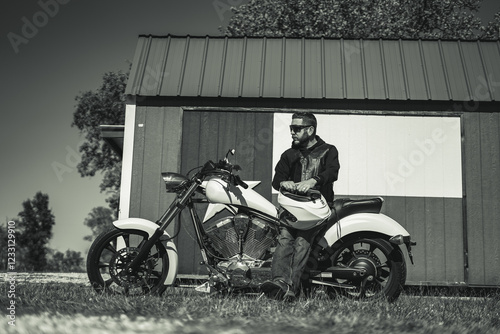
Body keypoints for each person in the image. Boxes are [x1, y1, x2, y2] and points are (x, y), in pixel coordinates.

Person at [261, 112, 340, 301]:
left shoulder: (329, 151)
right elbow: (277, 179)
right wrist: (283, 183)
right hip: (293, 210)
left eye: (297, 129)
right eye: (291, 128)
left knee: (302, 242)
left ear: (311, 130)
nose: (292, 133)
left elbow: (332, 172)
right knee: (284, 239)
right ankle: (280, 283)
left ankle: (291, 289)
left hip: (317, 209)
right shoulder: (289, 155)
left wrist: (315, 180)